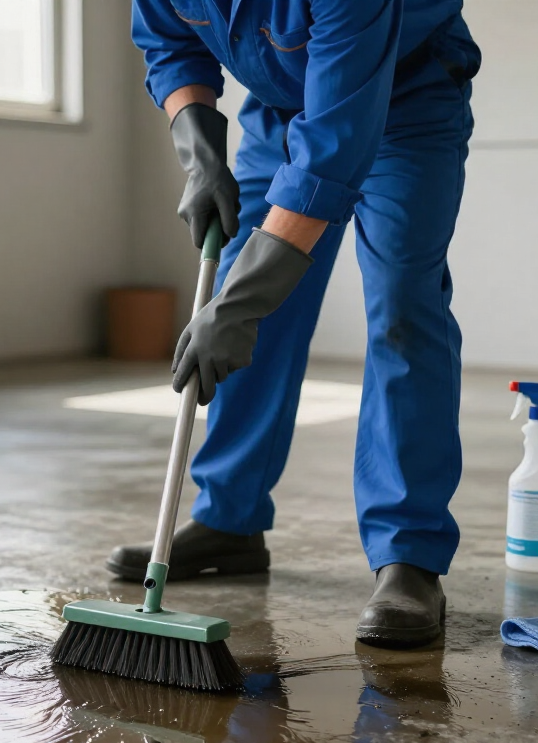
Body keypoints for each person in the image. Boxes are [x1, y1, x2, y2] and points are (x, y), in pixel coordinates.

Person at [108, 0, 481, 649]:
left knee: (401, 301)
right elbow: (171, 45)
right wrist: (198, 149)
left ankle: (408, 557)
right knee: (247, 297)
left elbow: (330, 153)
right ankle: (230, 518)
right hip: (280, 113)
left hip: (405, 96)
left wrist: (241, 303)